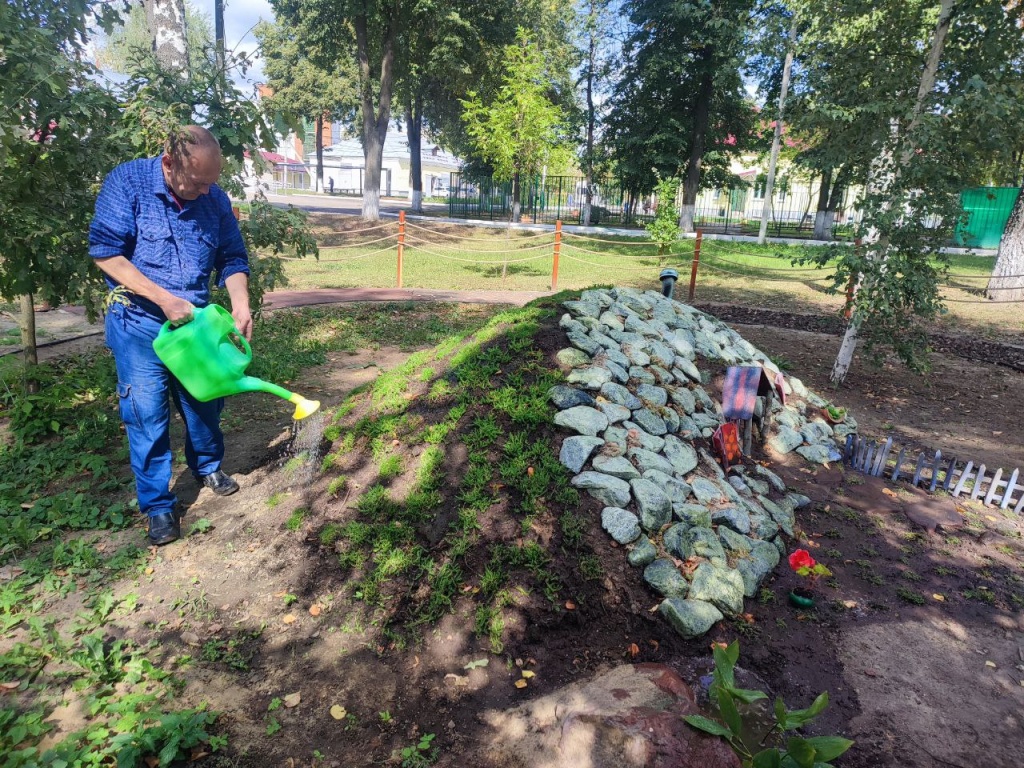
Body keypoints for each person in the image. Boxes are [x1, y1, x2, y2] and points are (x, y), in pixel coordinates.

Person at [89, 126, 252, 546]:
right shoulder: (126, 183)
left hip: (194, 326)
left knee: (204, 400)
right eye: (197, 181)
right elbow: (106, 253)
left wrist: (241, 302)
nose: (204, 191)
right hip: (140, 324)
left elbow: (232, 257)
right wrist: (162, 299)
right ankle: (159, 506)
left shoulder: (213, 198)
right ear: (169, 163)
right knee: (145, 413)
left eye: (211, 182)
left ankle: (208, 465)